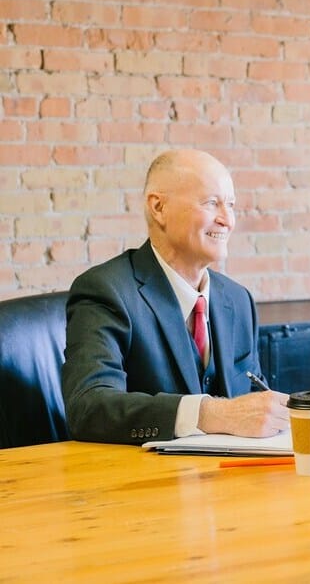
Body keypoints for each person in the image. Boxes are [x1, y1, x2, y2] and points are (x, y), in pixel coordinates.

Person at [62, 149, 288, 444]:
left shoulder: (238, 299)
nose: (227, 220)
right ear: (158, 208)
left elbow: (253, 402)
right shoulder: (106, 290)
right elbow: (88, 408)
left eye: (231, 205)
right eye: (211, 203)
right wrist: (210, 413)